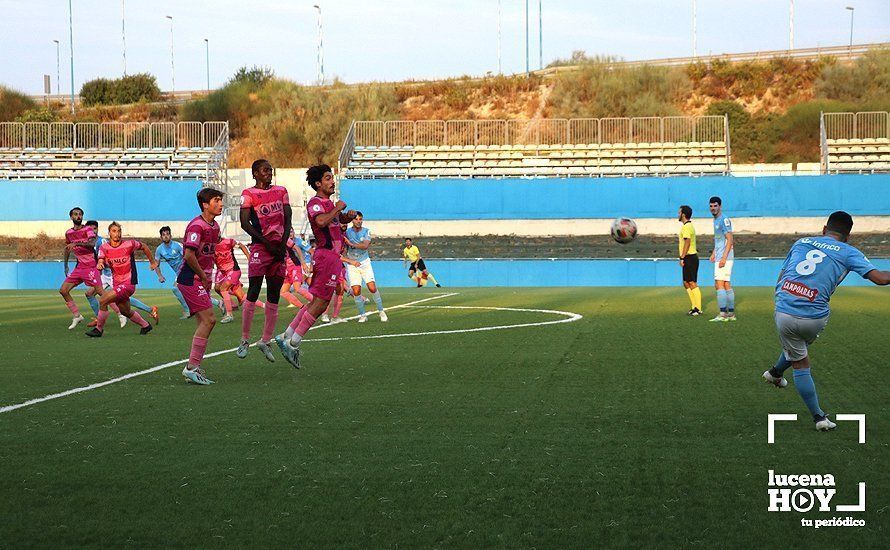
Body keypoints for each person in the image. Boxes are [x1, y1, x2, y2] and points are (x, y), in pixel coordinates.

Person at [762, 211, 890, 431]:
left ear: (824, 229)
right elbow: (880, 279)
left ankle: (779, 378)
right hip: (814, 318)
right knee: (800, 355)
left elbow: (782, 276)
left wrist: (783, 298)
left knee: (797, 349)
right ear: (847, 236)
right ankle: (816, 415)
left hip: (784, 309)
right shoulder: (849, 251)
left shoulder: (801, 242)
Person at [275, 164, 356, 368]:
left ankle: (286, 336)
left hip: (332, 257)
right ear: (318, 183)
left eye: (332, 178)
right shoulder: (316, 203)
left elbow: (334, 221)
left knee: (316, 303)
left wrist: (346, 216)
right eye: (328, 178)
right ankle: (293, 345)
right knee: (321, 304)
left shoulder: (328, 204)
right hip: (326, 257)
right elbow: (320, 222)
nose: (332, 181)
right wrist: (338, 208)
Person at [237, 159, 292, 361]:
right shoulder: (248, 194)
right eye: (264, 170)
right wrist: (266, 243)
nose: (269, 172)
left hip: (279, 248)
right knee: (253, 290)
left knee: (274, 294)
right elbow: (244, 223)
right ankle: (244, 339)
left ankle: (265, 340)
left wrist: (282, 244)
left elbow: (288, 219)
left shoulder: (281, 191)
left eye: (270, 169)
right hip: (261, 247)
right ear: (255, 174)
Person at [177, 188, 226, 385]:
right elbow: (189, 255)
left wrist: (212, 274)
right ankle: (191, 367)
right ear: (205, 205)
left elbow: (209, 254)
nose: (220, 204)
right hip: (190, 279)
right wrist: (202, 276)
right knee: (210, 320)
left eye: (221, 200)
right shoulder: (197, 226)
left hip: (201, 278)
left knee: (203, 322)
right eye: (216, 200)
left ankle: (194, 367)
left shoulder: (214, 226)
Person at [85, 222, 160, 337]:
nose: (117, 234)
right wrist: (100, 264)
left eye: (119, 231)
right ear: (109, 233)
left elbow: (144, 246)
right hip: (117, 283)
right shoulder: (104, 247)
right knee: (125, 311)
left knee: (103, 300)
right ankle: (146, 325)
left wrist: (153, 262)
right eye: (114, 231)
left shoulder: (129, 244)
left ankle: (98, 329)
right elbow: (100, 259)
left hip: (128, 283)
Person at [156, 225, 224, 320]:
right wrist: (160, 276)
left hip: (186, 270)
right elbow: (156, 264)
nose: (166, 236)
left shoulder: (177, 246)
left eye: (168, 234)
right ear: (161, 237)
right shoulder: (159, 249)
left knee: (175, 288)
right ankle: (218, 303)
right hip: (179, 273)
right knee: (195, 292)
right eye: (163, 235)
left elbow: (188, 257)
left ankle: (187, 310)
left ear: (171, 236)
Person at [59, 207, 104, 330]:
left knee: (102, 293)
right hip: (79, 268)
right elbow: (68, 248)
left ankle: (121, 313)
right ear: (71, 217)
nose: (78, 216)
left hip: (90, 267)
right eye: (75, 214)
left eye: (80, 214)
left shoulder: (87, 229)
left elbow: (91, 244)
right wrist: (66, 265)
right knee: (63, 290)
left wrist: (77, 243)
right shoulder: (68, 233)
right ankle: (77, 315)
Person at [83, 220, 128, 329]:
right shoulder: (87, 242)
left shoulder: (101, 241)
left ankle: (148, 310)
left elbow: (109, 254)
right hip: (102, 275)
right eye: (89, 229)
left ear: (97, 229)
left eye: (94, 228)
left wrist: (102, 263)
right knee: (90, 294)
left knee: (123, 298)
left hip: (111, 274)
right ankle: (100, 318)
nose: (92, 231)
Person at [345, 212, 388, 322]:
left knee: (372, 287)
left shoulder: (366, 231)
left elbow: (365, 246)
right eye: (356, 219)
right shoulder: (347, 232)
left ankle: (381, 311)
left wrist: (351, 244)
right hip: (352, 264)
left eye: (360, 219)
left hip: (364, 262)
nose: (359, 221)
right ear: (352, 221)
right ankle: (362, 315)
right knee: (356, 290)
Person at [708, 197, 736, 322]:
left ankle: (722, 314)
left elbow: (729, 239)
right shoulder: (716, 220)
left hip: (725, 257)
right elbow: (719, 239)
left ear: (720, 206)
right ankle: (731, 314)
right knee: (725, 284)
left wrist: (724, 258)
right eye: (711, 206)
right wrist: (714, 253)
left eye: (715, 206)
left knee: (718, 284)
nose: (713, 208)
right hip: (720, 255)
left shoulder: (724, 220)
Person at [214, 235, 252, 324]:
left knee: (223, 289)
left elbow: (241, 246)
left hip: (233, 270)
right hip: (223, 272)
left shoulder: (228, 242)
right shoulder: (211, 246)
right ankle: (265, 306)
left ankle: (229, 315)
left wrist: (249, 257)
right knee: (242, 297)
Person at [678, 205, 701, 316]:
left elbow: (687, 242)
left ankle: (698, 308)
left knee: (692, 282)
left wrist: (682, 257)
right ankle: (694, 307)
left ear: (683, 214)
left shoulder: (687, 227)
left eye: (679, 212)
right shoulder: (687, 226)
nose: (678, 214)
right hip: (688, 257)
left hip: (690, 257)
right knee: (686, 283)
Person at [280, 229, 313, 308]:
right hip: (286, 268)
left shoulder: (297, 241)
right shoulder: (275, 240)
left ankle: (316, 302)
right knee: (284, 292)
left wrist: (305, 264)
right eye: (289, 232)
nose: (290, 234)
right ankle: (304, 307)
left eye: (291, 232)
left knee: (298, 287)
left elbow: (311, 251)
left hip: (300, 265)